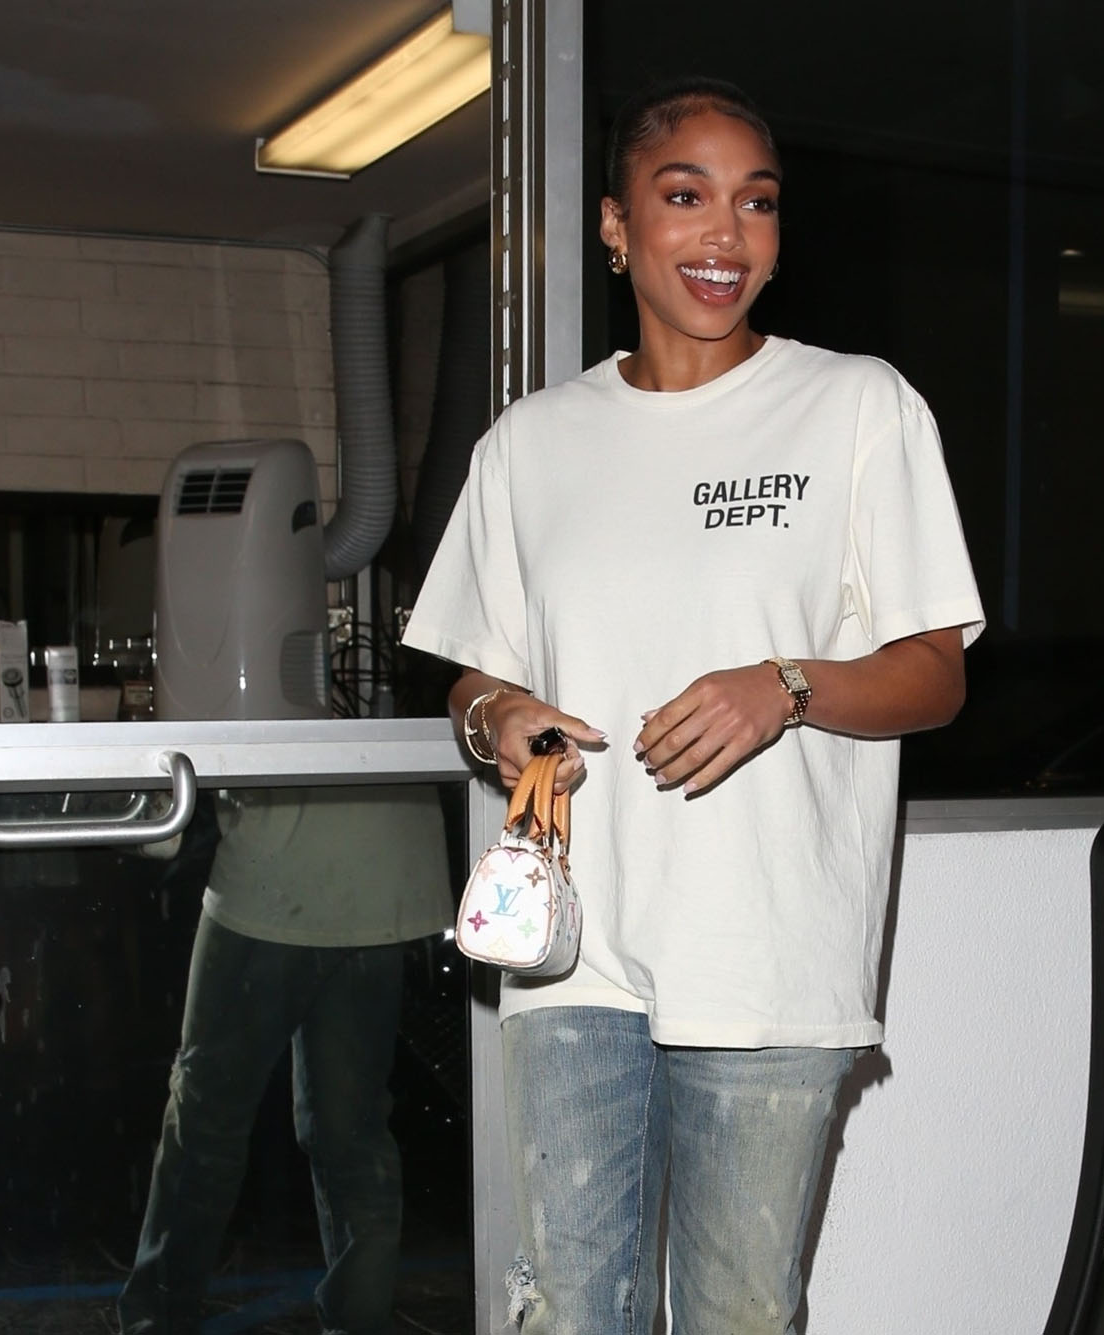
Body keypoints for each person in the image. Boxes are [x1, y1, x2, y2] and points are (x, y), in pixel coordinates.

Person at [401, 76, 985, 1334]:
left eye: (756, 203)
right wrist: (497, 722)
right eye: (686, 196)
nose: (726, 233)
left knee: (737, 1315)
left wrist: (785, 686)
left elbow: (936, 672)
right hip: (571, 954)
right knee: (570, 1311)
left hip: (765, 951)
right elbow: (473, 676)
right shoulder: (531, 444)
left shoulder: (856, 407)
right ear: (616, 226)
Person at [118, 785, 454, 1335]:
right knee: (353, 1132)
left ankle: (158, 1318)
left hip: (276, 865)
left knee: (206, 1116)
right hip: (391, 865)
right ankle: (357, 1321)